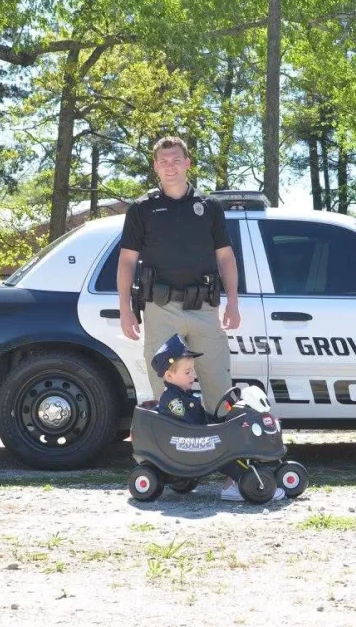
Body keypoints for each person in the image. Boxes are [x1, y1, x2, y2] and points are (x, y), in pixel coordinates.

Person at [117, 135, 244, 500]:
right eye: (162, 161)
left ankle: (233, 475)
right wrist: (126, 308)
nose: (169, 166)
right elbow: (127, 261)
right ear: (155, 167)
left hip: (205, 309)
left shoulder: (210, 207)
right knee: (167, 393)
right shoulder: (141, 209)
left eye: (175, 159)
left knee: (219, 389)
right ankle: (171, 471)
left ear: (188, 163)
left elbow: (226, 258)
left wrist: (232, 302)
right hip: (161, 309)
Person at [150, 334, 283, 502]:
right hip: (187, 446)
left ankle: (252, 476)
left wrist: (219, 421)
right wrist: (217, 429)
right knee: (225, 452)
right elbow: (187, 427)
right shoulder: (173, 400)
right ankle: (239, 486)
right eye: (187, 372)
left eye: (193, 371)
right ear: (169, 376)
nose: (193, 376)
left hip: (195, 441)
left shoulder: (185, 395)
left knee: (233, 437)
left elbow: (200, 418)